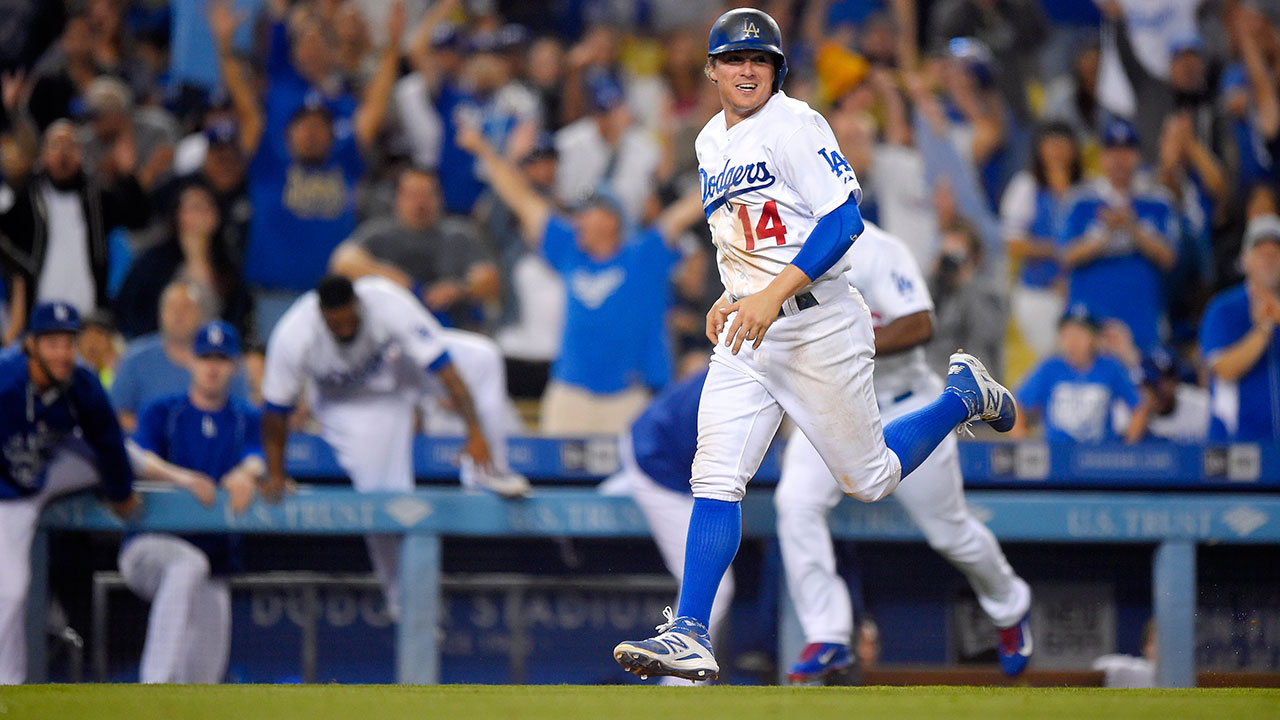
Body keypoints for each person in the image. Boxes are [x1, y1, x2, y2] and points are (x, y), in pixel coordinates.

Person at [612, 8, 1017, 683]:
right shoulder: (709, 142)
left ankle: (961, 397)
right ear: (711, 69)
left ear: (776, 70)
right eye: (735, 59)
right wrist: (734, 292)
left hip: (817, 323)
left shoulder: (796, 125)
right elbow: (746, 235)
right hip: (751, 330)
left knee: (871, 479)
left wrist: (770, 293)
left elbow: (843, 221)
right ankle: (689, 630)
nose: (747, 70)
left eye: (760, 60)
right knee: (715, 474)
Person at [777, 221, 1032, 684]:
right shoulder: (781, 246)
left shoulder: (875, 247)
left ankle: (1010, 605)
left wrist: (846, 344)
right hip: (834, 406)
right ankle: (828, 633)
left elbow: (919, 323)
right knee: (795, 503)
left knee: (950, 533)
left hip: (905, 404)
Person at [260, 275, 525, 620]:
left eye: (348, 319)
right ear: (321, 315)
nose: (343, 328)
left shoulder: (385, 302)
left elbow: (446, 368)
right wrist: (276, 473)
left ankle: (489, 471)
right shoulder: (294, 334)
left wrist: (475, 433)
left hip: (398, 367)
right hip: (351, 404)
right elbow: (275, 413)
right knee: (383, 499)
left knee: (484, 357)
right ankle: (404, 604)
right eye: (334, 323)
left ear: (357, 305)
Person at [458, 126, 705, 435]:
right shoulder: (569, 249)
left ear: (611, 219)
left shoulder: (644, 254)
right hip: (569, 392)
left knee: (628, 468)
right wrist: (483, 150)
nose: (577, 221)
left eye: (586, 213)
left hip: (628, 396)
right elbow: (521, 199)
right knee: (552, 465)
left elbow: (686, 211)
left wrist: (739, 165)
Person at [0, 301, 139, 684]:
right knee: (10, 591)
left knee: (127, 457)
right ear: (31, 345)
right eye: (52, 344)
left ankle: (10, 692)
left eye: (68, 343)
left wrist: (120, 491)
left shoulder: (81, 381)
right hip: (8, 495)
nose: (63, 353)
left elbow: (108, 438)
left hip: (44, 472)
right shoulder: (5, 380)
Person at [120, 321, 261, 684]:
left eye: (221, 359)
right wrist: (184, 479)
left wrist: (246, 473)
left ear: (234, 366)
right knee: (187, 564)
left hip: (214, 561)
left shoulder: (245, 417)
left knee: (203, 681)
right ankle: (153, 686)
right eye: (205, 358)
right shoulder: (161, 411)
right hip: (149, 546)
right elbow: (139, 460)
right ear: (191, 361)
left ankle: (173, 699)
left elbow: (258, 458)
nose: (212, 367)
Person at [598, 367, 735, 655]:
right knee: (718, 587)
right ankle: (679, 676)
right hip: (657, 464)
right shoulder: (739, 377)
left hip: (659, 446)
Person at [0, 120, 151, 326]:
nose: (63, 154)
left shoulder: (97, 197)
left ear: (81, 154)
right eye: (56, 146)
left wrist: (128, 176)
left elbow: (138, 219)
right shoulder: (25, 197)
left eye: (70, 146)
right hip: (38, 313)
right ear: (44, 154)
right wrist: (19, 271)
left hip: (89, 315)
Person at [1058, 117, 1177, 351]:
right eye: (1113, 151)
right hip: (1089, 322)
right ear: (1102, 157)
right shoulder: (1081, 200)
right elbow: (1066, 256)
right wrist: (1106, 233)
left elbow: (1170, 258)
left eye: (1127, 151)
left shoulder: (1158, 200)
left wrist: (1132, 227)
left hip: (1142, 319)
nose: (1120, 159)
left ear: (1138, 156)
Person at [329, 167, 500, 330]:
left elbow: (490, 278)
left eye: (427, 195)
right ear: (398, 198)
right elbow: (343, 262)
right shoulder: (379, 233)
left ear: (440, 197)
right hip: (393, 328)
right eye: (412, 195)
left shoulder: (459, 234)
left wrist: (460, 289)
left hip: (452, 327)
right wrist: (392, 279)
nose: (420, 203)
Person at [111, 279, 249, 433]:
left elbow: (244, 416)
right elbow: (115, 413)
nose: (178, 315)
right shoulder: (135, 359)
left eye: (185, 308)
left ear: (201, 314)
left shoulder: (226, 359)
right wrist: (157, 432)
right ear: (160, 312)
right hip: (146, 444)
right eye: (172, 308)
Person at [1200, 214, 1280, 441]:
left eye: (1275, 253)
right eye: (1261, 253)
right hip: (1237, 442)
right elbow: (1224, 369)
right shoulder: (1224, 308)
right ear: (1245, 260)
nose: (1269, 260)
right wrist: (1264, 329)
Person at [1011, 304, 1139, 443]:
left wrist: (1127, 445)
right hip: (1057, 451)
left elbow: (1138, 405)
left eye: (1080, 334)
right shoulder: (1050, 367)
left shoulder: (1110, 367)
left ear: (1094, 338)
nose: (1073, 341)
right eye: (1067, 334)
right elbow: (1016, 404)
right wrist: (1022, 441)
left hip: (1098, 451)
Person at [1121, 347, 1209, 444]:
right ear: (1145, 384)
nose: (1166, 387)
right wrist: (1143, 411)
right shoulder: (1126, 406)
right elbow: (1123, 449)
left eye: (1170, 378)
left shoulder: (1201, 406)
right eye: (1158, 383)